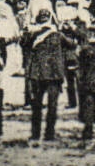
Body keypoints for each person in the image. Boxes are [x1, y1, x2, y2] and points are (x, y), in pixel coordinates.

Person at [22, 8, 71, 143]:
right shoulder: (58, 35)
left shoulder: (33, 34)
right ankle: (49, 134)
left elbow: (23, 44)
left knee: (36, 106)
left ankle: (35, 134)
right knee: (52, 106)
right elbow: (71, 44)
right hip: (54, 75)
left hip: (37, 74)